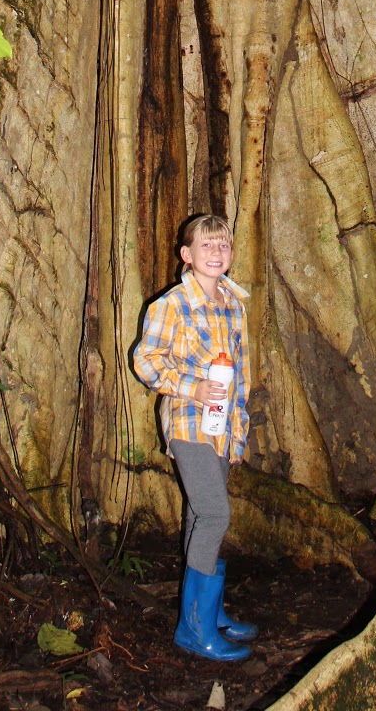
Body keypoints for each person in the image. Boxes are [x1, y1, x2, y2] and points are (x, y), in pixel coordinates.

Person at [132, 213, 257, 662]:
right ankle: (194, 629)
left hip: (222, 427)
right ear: (187, 255)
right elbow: (145, 361)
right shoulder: (171, 304)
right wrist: (193, 388)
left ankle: (211, 611)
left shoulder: (233, 304)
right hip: (187, 422)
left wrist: (238, 433)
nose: (216, 252)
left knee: (198, 517)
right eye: (206, 246)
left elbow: (241, 374)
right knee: (215, 514)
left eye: (222, 244)